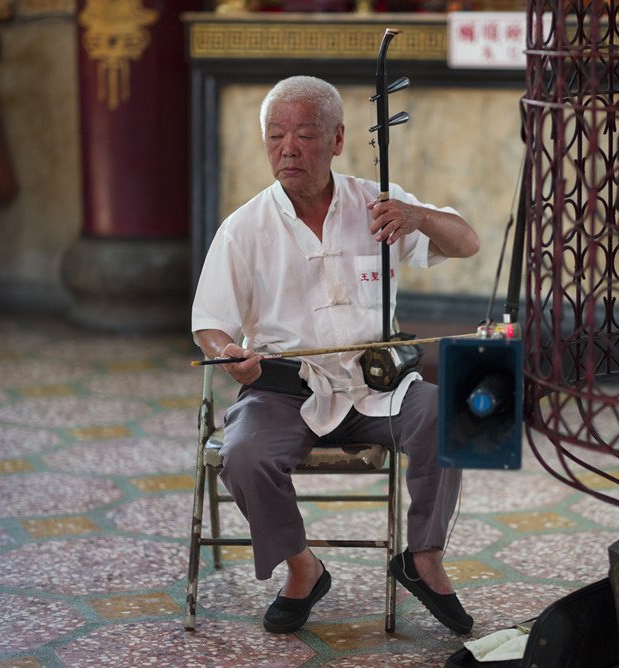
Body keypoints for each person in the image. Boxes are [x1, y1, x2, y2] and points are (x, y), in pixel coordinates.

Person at [191, 75, 481, 635]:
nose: (288, 149)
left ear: (338, 139)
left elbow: (466, 242)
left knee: (447, 414)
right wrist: (229, 354)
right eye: (276, 136)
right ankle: (303, 569)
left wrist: (416, 218)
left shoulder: (378, 205)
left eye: (304, 134)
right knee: (243, 453)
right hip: (282, 388)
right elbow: (211, 327)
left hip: (377, 386)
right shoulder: (243, 228)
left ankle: (423, 559)